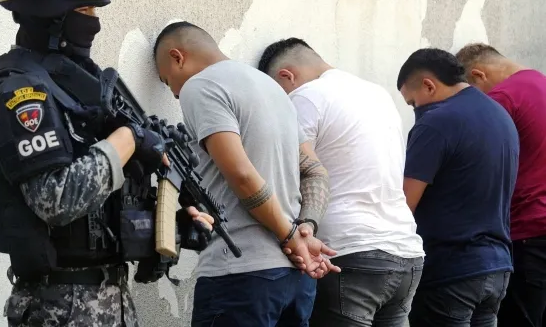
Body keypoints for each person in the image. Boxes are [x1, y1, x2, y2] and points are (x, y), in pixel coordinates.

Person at [0, 0, 214, 327]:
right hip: (58, 308)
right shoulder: (19, 96)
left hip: (111, 302)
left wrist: (174, 226)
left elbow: (101, 210)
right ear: (51, 16)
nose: (94, 23)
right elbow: (57, 199)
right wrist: (129, 138)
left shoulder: (76, 93)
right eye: (85, 11)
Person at [152, 21, 340, 327]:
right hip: (296, 278)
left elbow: (241, 174)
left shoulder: (200, 86)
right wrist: (306, 229)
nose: (174, 94)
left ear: (177, 57)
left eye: (166, 80)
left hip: (240, 275)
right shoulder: (274, 90)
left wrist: (291, 236)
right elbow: (314, 171)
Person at [257, 37, 425, 327]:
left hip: (349, 253)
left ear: (287, 76)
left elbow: (289, 172)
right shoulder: (378, 95)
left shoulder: (307, 96)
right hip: (406, 252)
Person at [396, 47, 519, 327]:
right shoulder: (500, 115)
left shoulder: (436, 122)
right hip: (497, 267)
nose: (416, 111)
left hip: (450, 271)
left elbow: (404, 205)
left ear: (429, 85)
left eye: (413, 103)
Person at [456, 43, 546, 327]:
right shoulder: (541, 82)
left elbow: (478, 169)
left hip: (527, 230)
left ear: (478, 75)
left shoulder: (501, 98)